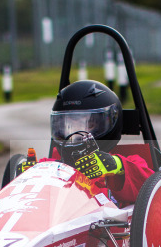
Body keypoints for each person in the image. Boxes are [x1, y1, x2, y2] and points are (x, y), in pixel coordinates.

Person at [21, 80, 153, 205]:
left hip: (107, 226)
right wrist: (26, 177)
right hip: (61, 224)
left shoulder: (124, 167)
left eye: (87, 124)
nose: (75, 134)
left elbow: (152, 188)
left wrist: (116, 166)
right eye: (69, 126)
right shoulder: (48, 165)